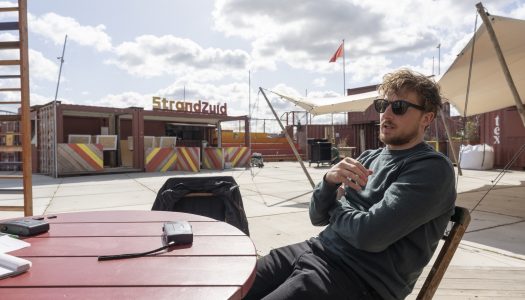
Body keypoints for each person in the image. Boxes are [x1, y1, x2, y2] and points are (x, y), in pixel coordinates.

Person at [244, 69, 456, 300]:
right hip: (314, 249)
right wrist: (327, 183)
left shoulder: (431, 168)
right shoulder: (367, 158)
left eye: (399, 107)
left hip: (359, 278)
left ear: (426, 118)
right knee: (231, 284)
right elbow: (317, 216)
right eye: (382, 105)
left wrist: (335, 206)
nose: (386, 114)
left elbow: (369, 235)